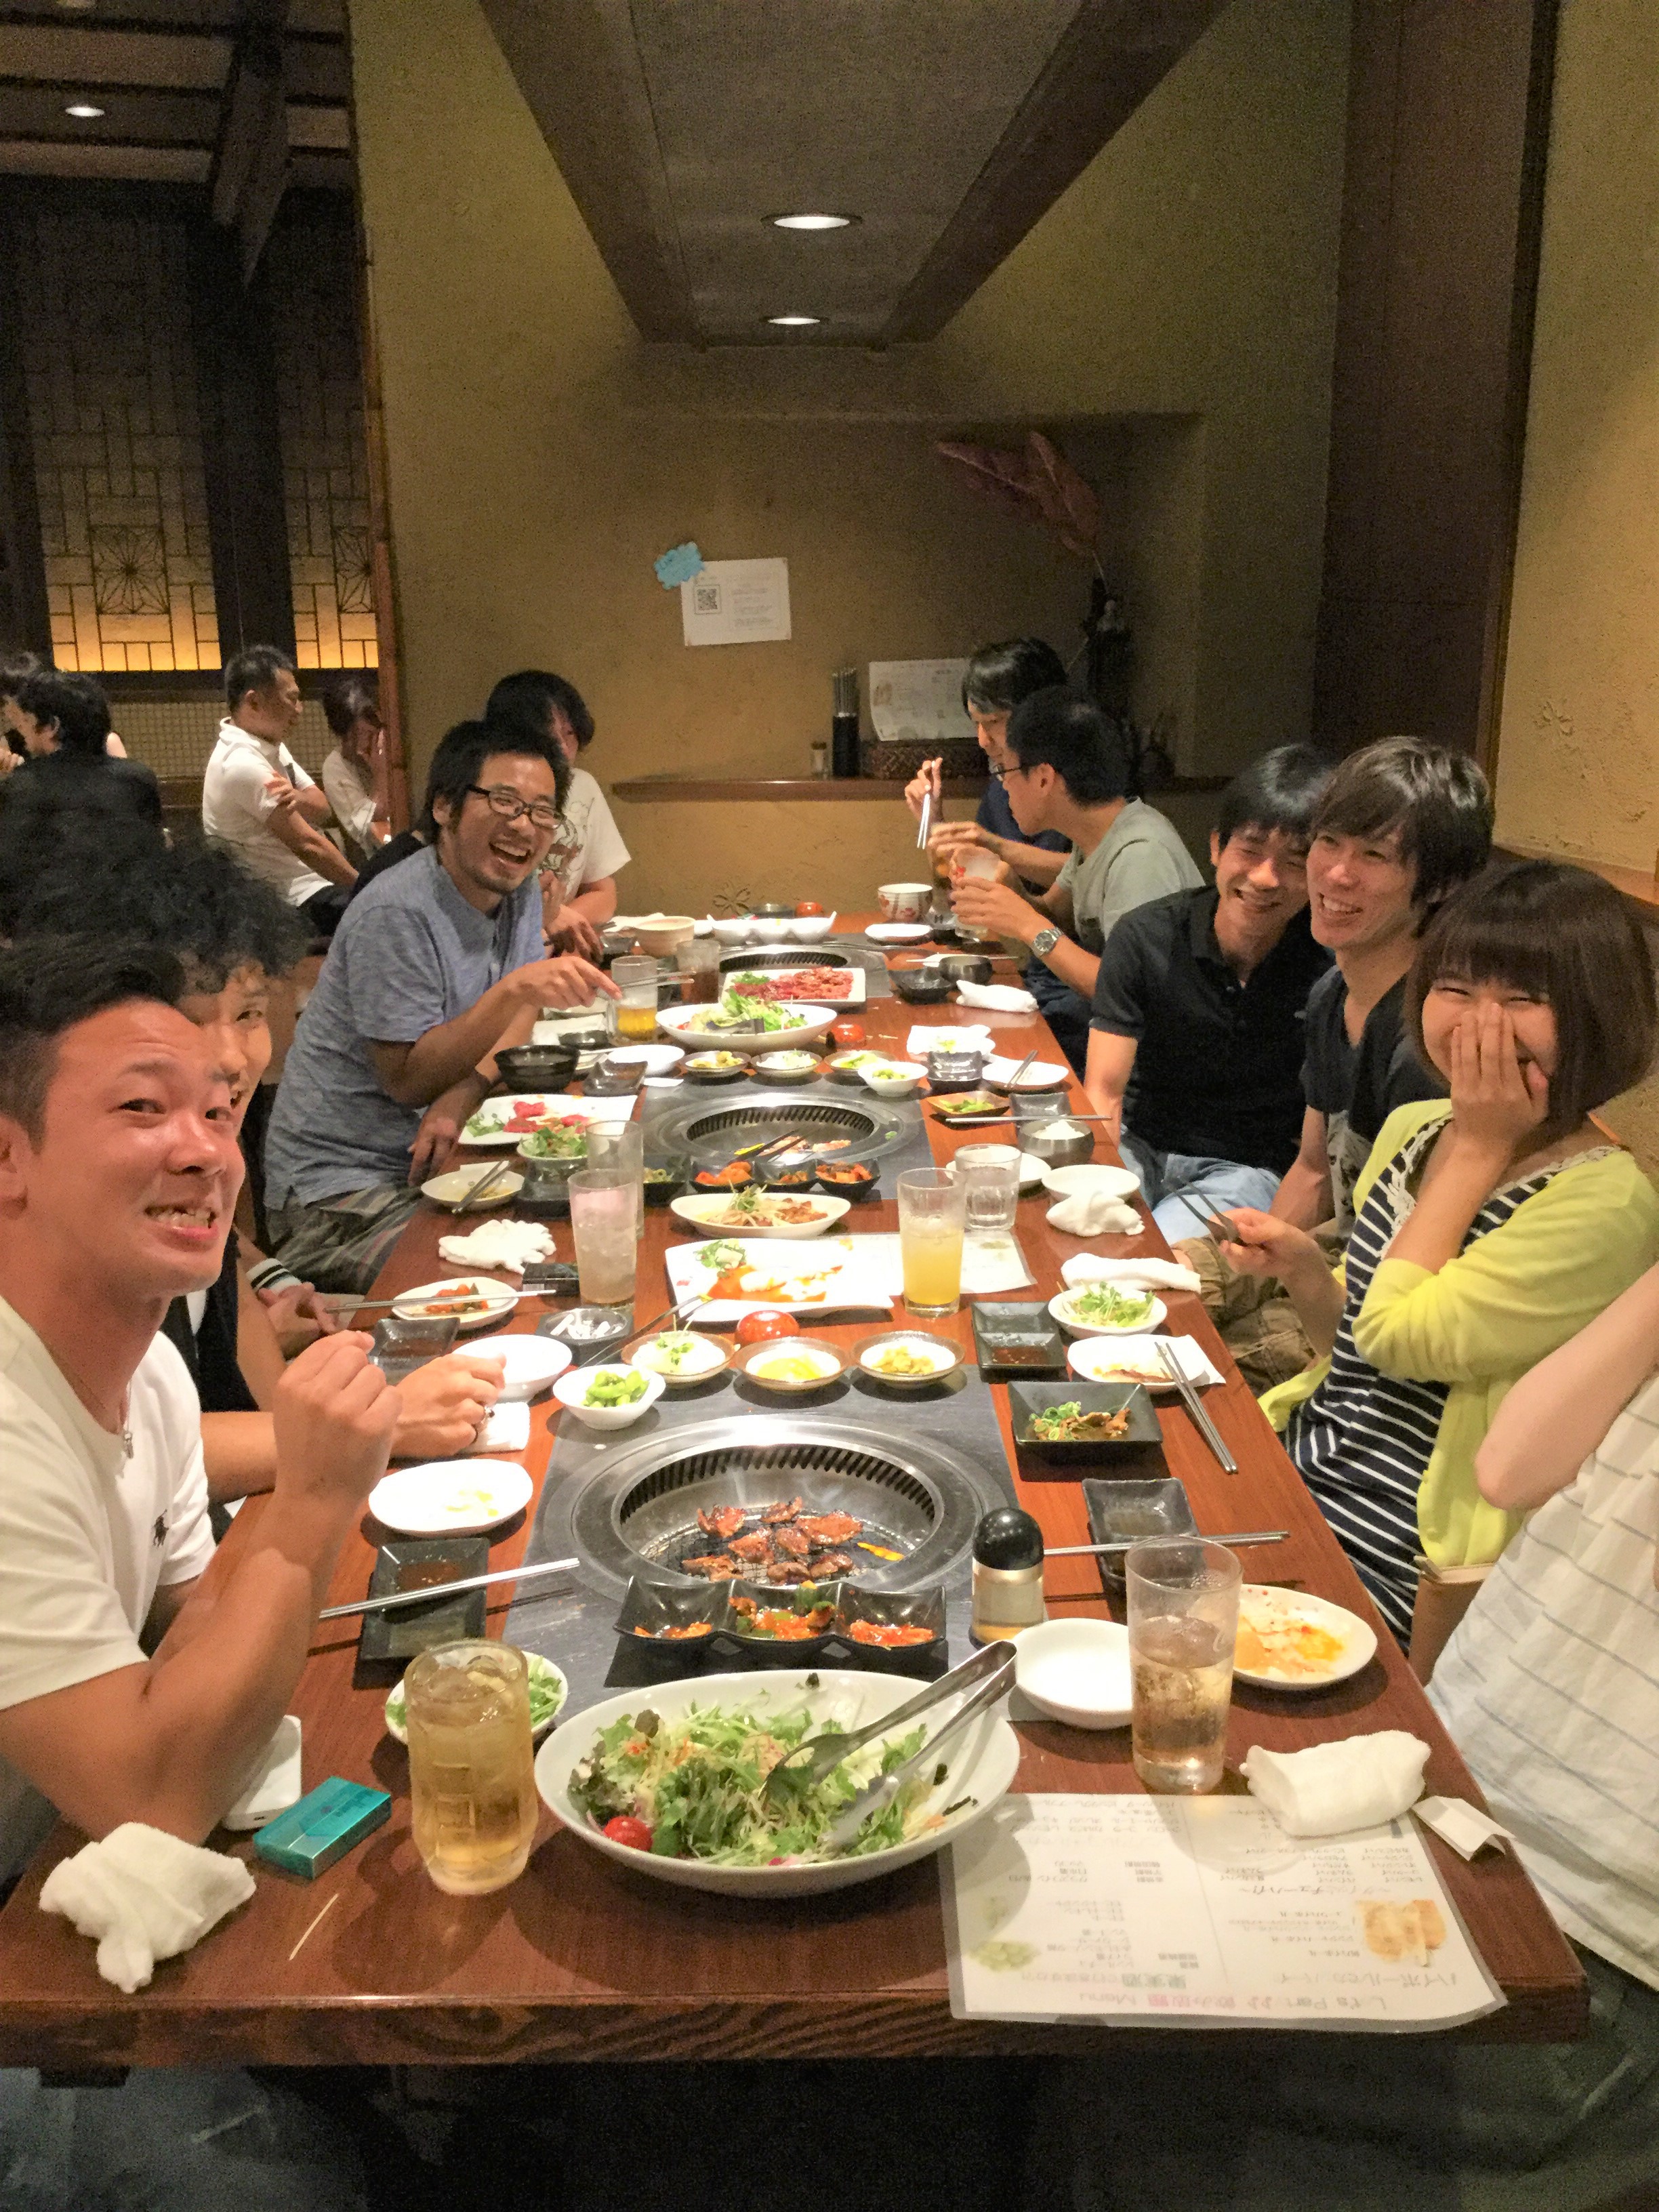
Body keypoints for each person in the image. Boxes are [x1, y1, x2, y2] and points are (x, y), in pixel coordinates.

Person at [0, 938, 402, 1881]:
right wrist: (312, 1504)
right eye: (143, 1108)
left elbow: (189, 1636)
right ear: (9, 1155)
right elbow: (151, 1801)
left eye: (219, 1114)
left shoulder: (150, 1374)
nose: (206, 1152)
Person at [1221, 860, 1659, 1643]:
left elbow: (1399, 1336)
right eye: (1454, 988)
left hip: (1397, 1559)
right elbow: (1357, 1352)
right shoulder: (1417, 1129)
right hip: (1303, 1466)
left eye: (1523, 998)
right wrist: (1309, 1273)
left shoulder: (1607, 1205)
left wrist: (1481, 1148)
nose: (1477, 1023)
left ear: (1599, 1014)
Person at [6, 829, 506, 1503]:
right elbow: (113, 1454)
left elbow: (231, 1295)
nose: (231, 1056)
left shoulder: (200, 1162)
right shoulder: (77, 1198)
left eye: (248, 1014)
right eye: (187, 1017)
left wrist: (273, 1285)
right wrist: (369, 1428)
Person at [1177, 738, 1493, 1391]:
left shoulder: (1433, 1038)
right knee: (1144, 1290)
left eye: (1374, 856)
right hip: (1328, 1248)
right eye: (1328, 842)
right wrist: (1248, 1261)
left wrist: (1294, 1290)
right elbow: (1314, 1169)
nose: (1337, 875)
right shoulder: (1331, 995)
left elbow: (1420, 1267)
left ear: (1440, 884)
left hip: (1387, 1294)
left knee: (1199, 1374)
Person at [264, 717, 617, 1292]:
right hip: (339, 1197)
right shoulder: (396, 912)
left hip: (433, 1166)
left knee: (587, 1226)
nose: (523, 826)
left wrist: (464, 1091)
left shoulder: (518, 889)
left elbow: (518, 1018)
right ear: (445, 807)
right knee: (506, 1285)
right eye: (504, 802)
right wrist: (516, 988)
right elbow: (406, 1081)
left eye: (541, 811)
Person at [1082, 746, 1332, 1237]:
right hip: (1138, 1145)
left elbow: (1316, 1156)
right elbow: (1104, 1094)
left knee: (1159, 1256)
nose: (1265, 878)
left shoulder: (1330, 972)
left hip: (1244, 1170)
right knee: (1089, 1230)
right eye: (1250, 851)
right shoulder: (1147, 938)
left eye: (1294, 861)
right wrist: (1096, 1189)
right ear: (1217, 847)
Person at [901, 639, 1091, 1067]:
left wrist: (996, 847)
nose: (983, 740)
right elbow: (963, 886)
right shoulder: (1003, 787)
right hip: (1037, 979)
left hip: (1080, 1003)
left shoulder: (1085, 790)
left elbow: (1090, 870)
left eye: (994, 722)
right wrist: (935, 821)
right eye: (976, 723)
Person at [947, 686, 1200, 1006]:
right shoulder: (1094, 837)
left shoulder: (1141, 856)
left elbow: (1134, 992)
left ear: (1043, 778)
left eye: (1004, 771)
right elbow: (1058, 915)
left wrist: (1027, 924)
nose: (1004, 785)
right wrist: (1014, 891)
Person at [202, 644, 356, 937]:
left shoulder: (268, 744)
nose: (299, 709)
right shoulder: (241, 763)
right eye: (292, 699)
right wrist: (368, 888)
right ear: (254, 702)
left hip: (307, 886)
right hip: (282, 904)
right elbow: (308, 845)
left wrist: (297, 797)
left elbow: (323, 809)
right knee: (385, 911)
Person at [485, 669, 630, 954]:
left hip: (550, 952)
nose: (562, 747)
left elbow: (603, 893)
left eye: (569, 733)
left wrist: (557, 919)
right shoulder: (488, 796)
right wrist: (542, 919)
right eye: (548, 736)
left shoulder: (583, 787)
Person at [0, 666, 160, 836]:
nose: (10, 713)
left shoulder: (22, 787)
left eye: (27, 718)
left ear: (52, 726)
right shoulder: (138, 778)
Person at [1, 648, 127, 758]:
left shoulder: (99, 740)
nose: (7, 712)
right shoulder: (9, 745)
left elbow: (121, 776)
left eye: (9, 700)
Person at [319, 672, 389, 864]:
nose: (356, 745)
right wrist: (381, 774)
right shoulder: (335, 767)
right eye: (347, 736)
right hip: (378, 860)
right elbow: (370, 830)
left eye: (366, 733)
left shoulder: (394, 748)